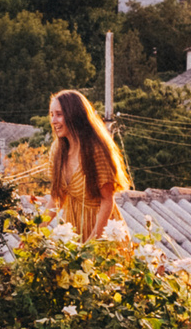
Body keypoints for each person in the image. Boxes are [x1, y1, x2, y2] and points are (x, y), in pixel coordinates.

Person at [46, 88, 132, 240]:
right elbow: (57, 198)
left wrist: (92, 243)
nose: (53, 121)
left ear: (74, 115)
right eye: (52, 115)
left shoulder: (96, 149)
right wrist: (33, 232)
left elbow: (107, 200)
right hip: (73, 231)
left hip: (103, 232)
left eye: (59, 114)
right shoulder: (57, 150)